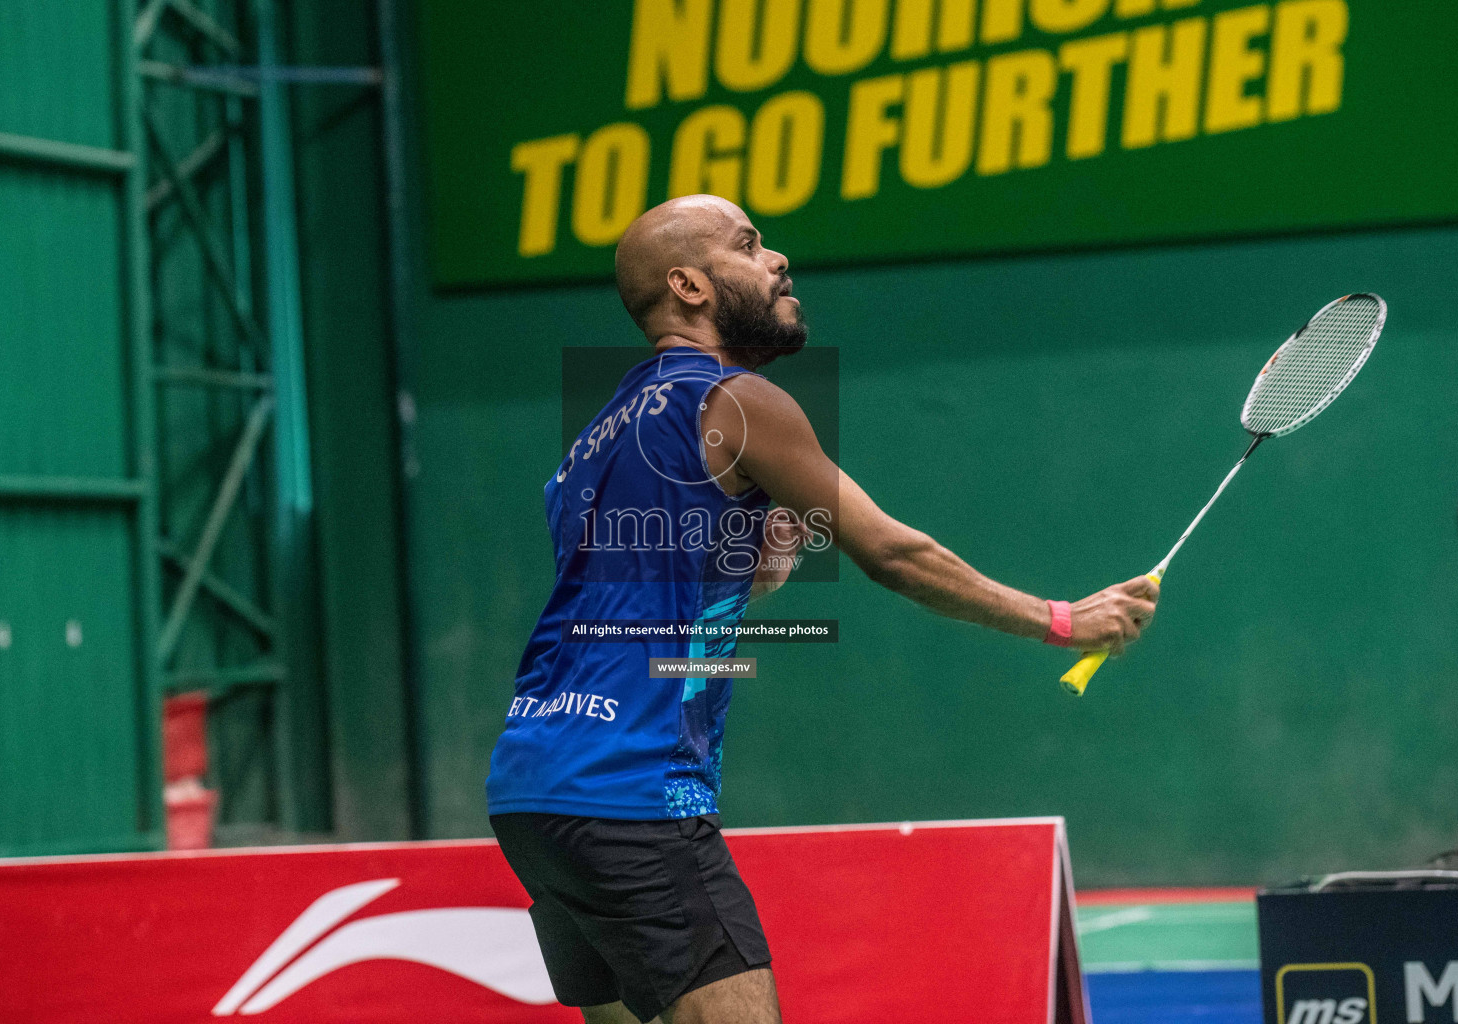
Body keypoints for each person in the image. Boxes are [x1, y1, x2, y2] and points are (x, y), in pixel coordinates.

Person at [485, 194, 1159, 1024]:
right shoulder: (733, 400)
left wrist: (752, 570)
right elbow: (894, 555)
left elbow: (642, 604)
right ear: (690, 286)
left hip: (532, 787)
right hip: (630, 789)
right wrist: (1063, 621)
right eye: (750, 244)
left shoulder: (595, 439)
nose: (778, 261)